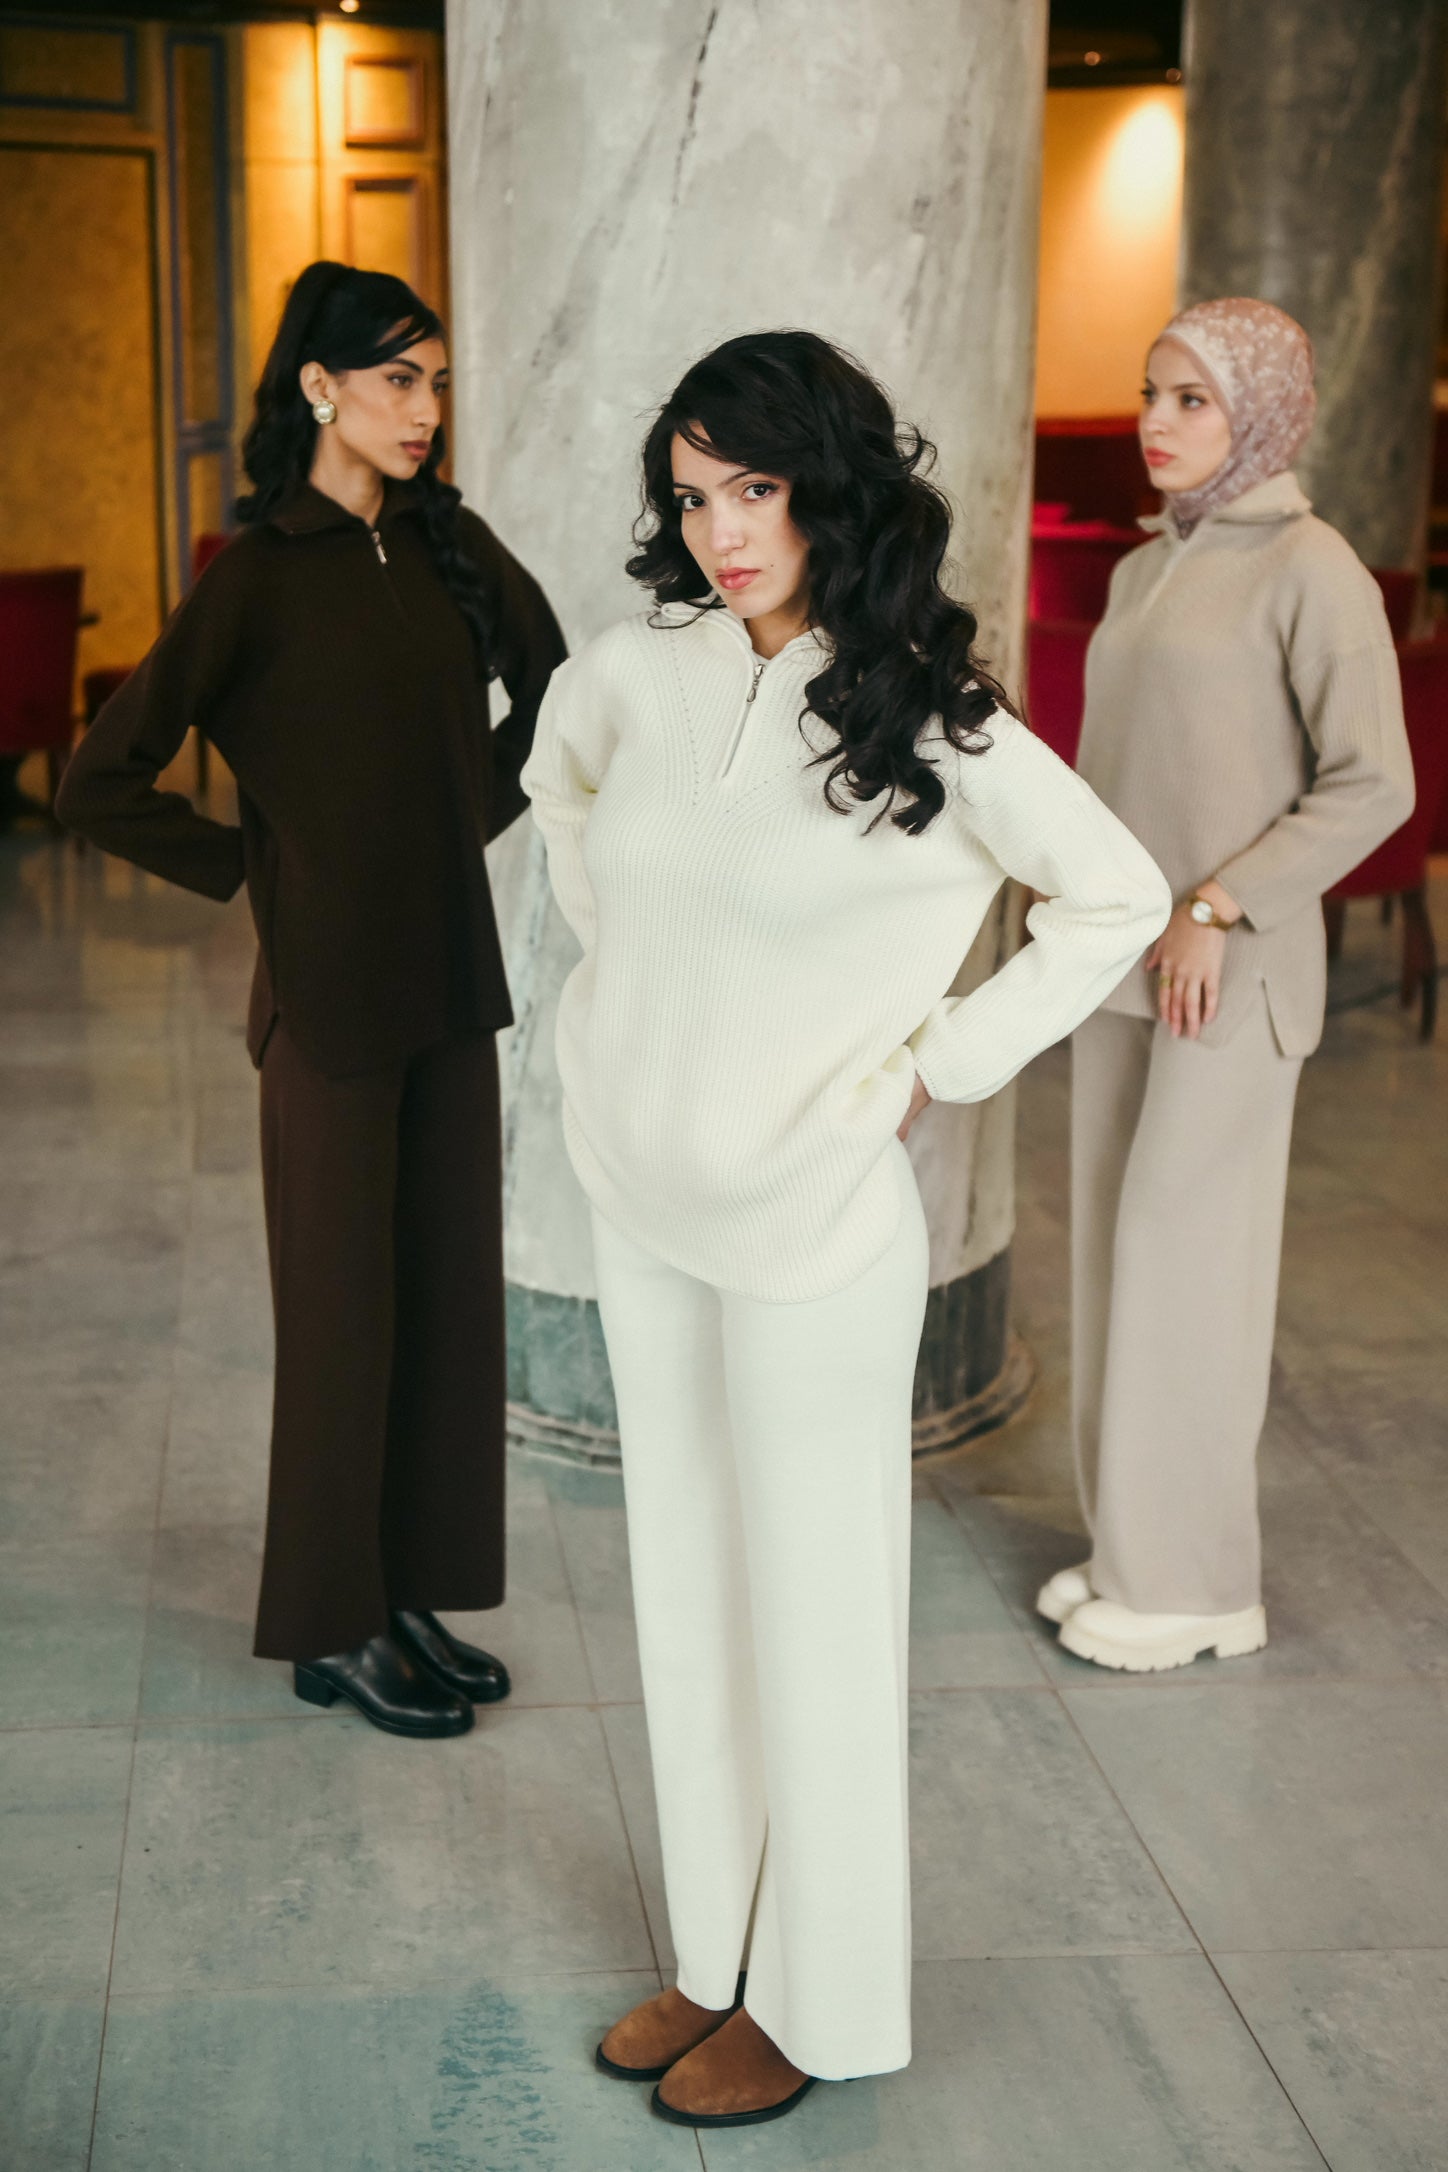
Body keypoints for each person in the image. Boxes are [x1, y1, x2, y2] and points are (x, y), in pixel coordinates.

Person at [521, 330, 1169, 2127]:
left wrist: (932, 1066)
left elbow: (1114, 895)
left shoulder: (928, 716)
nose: (722, 532)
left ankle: (822, 2002)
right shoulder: (632, 674)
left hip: (813, 1224)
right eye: (692, 498)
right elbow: (561, 798)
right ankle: (717, 1955)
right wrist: (615, 1001)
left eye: (757, 488)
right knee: (685, 1601)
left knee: (817, 1622)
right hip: (644, 1197)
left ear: (833, 488)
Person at [58, 263, 566, 1736]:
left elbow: (555, 696)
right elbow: (101, 778)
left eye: (437, 382)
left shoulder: (449, 541)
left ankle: (406, 1592)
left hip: (449, 983)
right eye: (399, 378)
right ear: (321, 387)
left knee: (440, 1313)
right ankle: (332, 1628)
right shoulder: (257, 574)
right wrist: (256, 871)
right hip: (330, 1014)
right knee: (344, 1328)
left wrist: (456, 821)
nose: (425, 408)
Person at [1038, 297, 1414, 1675]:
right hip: (1125, 974)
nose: (1158, 422)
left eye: (1192, 399)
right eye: (1152, 393)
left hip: (1229, 979)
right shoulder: (1152, 568)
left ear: (1259, 411)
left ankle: (1197, 1586)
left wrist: (1220, 902)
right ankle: (1130, 1552)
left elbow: (1377, 784)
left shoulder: (1314, 568)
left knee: (1184, 1272)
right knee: (1114, 1263)